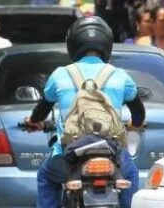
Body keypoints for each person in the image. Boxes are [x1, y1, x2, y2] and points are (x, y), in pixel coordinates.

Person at [24, 16, 145, 208]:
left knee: (46, 176)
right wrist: (134, 125)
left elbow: (40, 112)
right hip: (113, 153)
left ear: (72, 44)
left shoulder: (60, 74)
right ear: (107, 44)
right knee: (130, 174)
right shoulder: (120, 76)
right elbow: (139, 115)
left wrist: (32, 121)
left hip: (68, 156)